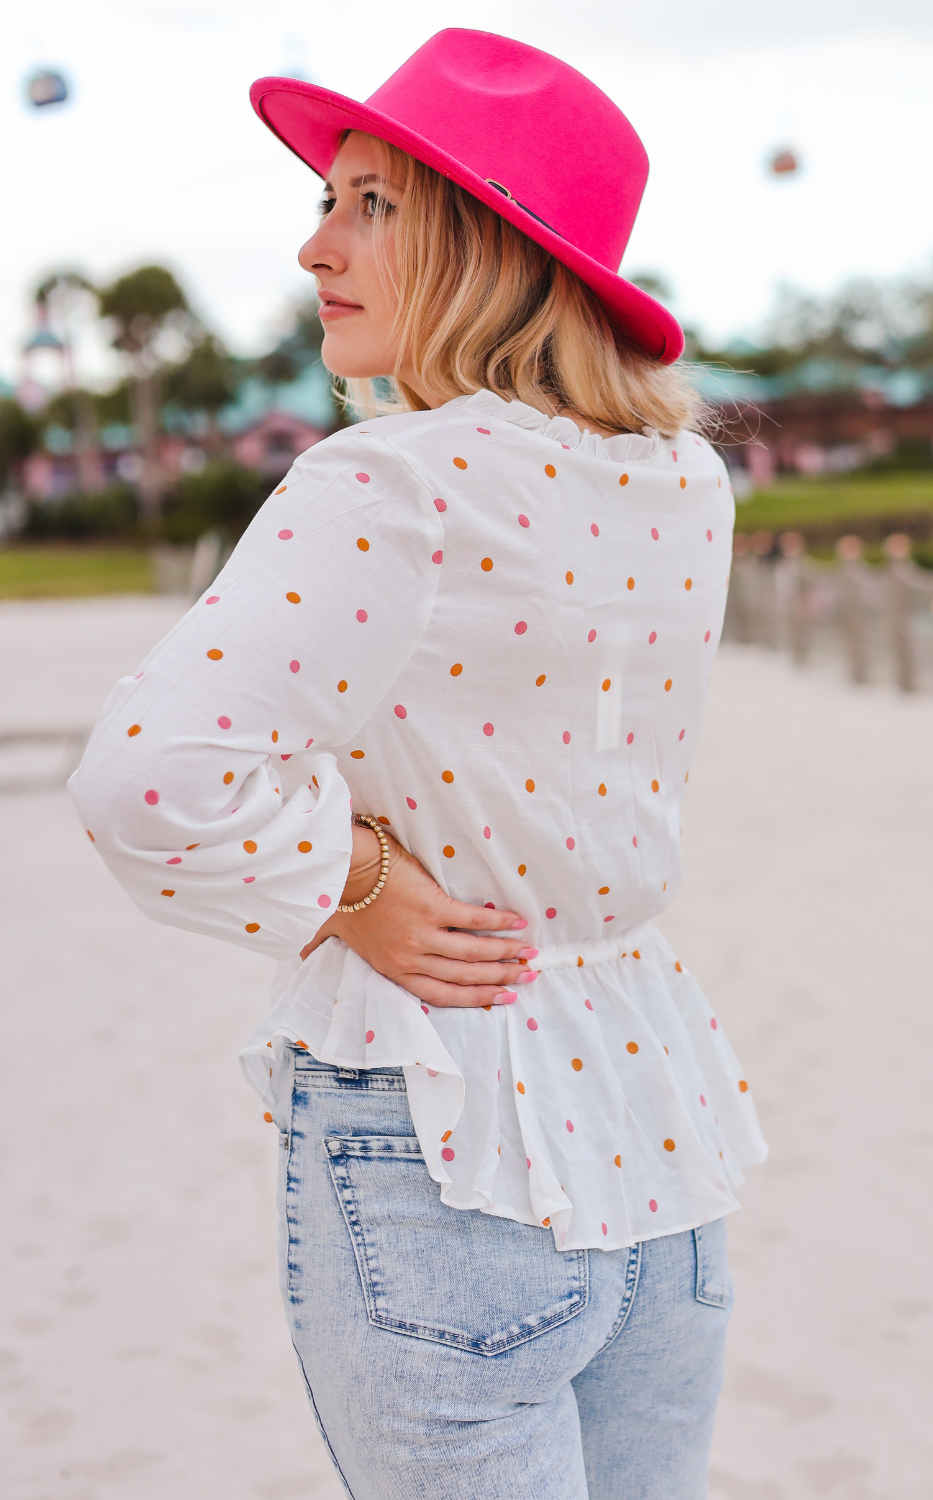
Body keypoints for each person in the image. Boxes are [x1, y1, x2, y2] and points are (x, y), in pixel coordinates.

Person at [70, 28, 766, 1500]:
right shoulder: (687, 483)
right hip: (657, 1123)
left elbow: (148, 779)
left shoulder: (390, 480)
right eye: (330, 196)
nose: (315, 240)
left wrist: (355, 883)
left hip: (445, 1122)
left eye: (372, 202)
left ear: (492, 241)